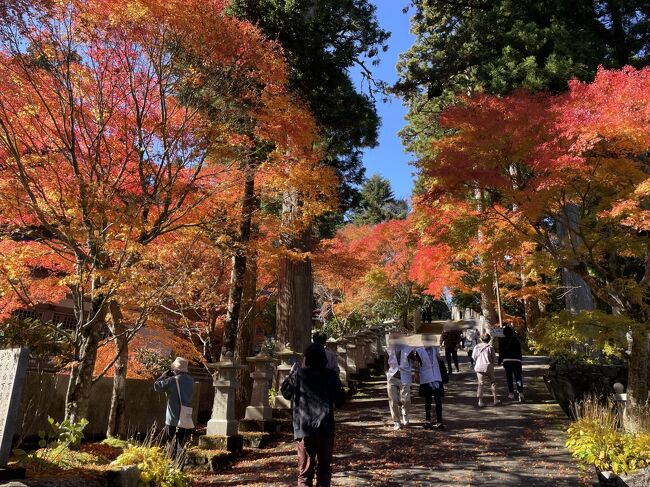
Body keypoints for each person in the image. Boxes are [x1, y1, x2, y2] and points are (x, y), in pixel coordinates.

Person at [281, 343, 347, 487]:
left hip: (304, 429)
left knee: (305, 473)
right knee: (324, 470)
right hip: (325, 428)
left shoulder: (299, 375)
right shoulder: (330, 375)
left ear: (307, 358)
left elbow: (286, 393)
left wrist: (292, 374)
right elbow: (341, 400)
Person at [154, 356, 195, 459]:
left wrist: (163, 376)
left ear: (176, 369)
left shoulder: (172, 380)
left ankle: (171, 466)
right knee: (182, 443)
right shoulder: (191, 380)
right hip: (185, 417)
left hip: (173, 417)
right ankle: (180, 467)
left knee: (171, 442)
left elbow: (157, 386)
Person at [384, 331, 417, 430]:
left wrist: (415, 369)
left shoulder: (408, 349)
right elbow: (385, 365)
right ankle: (396, 421)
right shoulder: (388, 350)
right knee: (393, 400)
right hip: (392, 377)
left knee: (406, 399)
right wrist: (387, 375)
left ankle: (405, 414)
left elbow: (414, 360)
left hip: (405, 376)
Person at [415, 335, 448, 429]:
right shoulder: (419, 351)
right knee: (428, 401)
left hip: (436, 377)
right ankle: (428, 420)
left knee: (438, 401)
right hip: (426, 378)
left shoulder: (435, 350)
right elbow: (417, 364)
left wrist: (439, 359)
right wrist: (416, 374)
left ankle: (439, 421)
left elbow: (441, 363)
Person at [472, 334, 501, 407]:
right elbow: (494, 359)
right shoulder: (490, 347)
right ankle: (495, 399)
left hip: (479, 366)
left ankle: (480, 401)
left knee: (480, 383)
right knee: (493, 382)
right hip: (488, 366)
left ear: (481, 339)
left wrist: (478, 361)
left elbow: (473, 357)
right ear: (489, 340)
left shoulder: (477, 346)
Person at [499, 326, 525, 402]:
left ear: (504, 333)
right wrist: (520, 360)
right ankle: (520, 393)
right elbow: (519, 352)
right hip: (517, 361)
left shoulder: (502, 341)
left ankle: (511, 393)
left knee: (509, 377)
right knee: (518, 377)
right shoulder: (516, 340)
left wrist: (500, 361)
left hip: (507, 361)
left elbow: (501, 352)